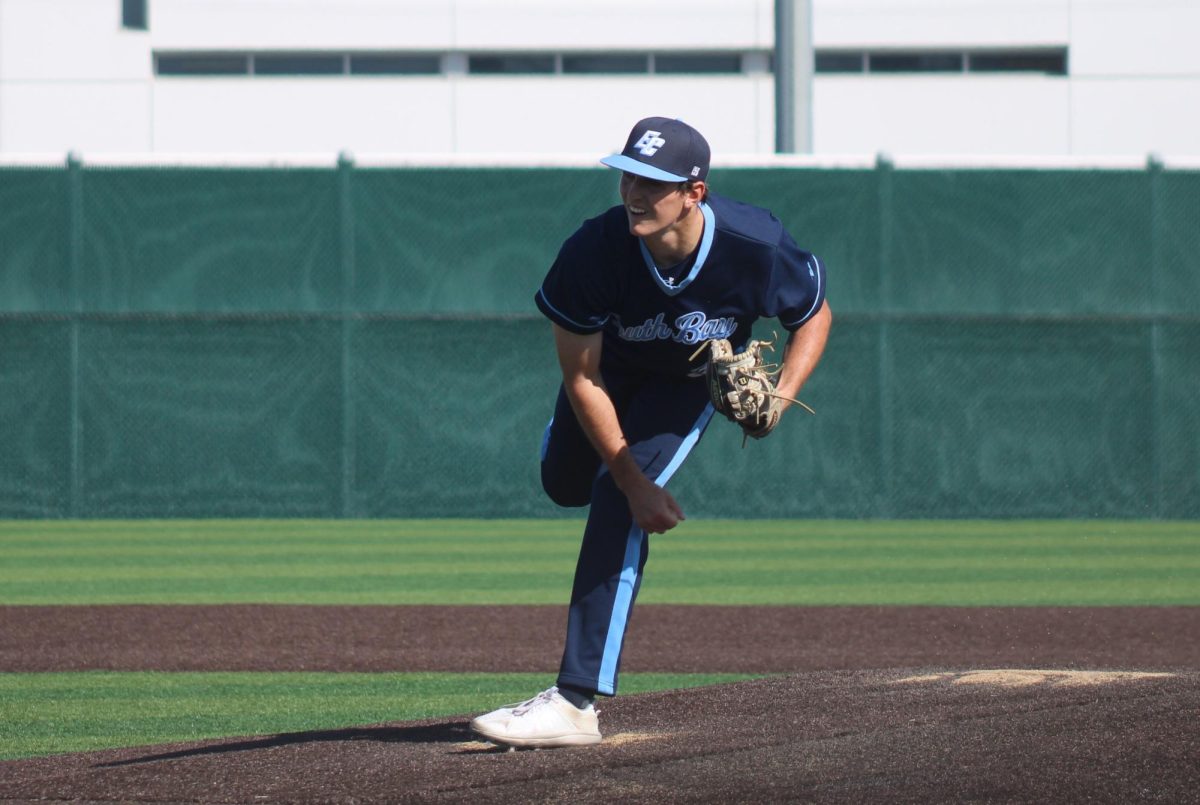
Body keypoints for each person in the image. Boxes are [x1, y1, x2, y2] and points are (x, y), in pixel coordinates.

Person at [470, 116, 832, 749]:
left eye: (654, 182)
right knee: (565, 484)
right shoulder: (593, 251)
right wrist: (629, 475)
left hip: (685, 384)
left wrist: (780, 397)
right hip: (605, 379)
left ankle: (576, 702)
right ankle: (593, 461)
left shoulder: (755, 244)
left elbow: (814, 313)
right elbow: (582, 376)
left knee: (617, 500)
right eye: (629, 176)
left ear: (694, 193)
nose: (634, 193)